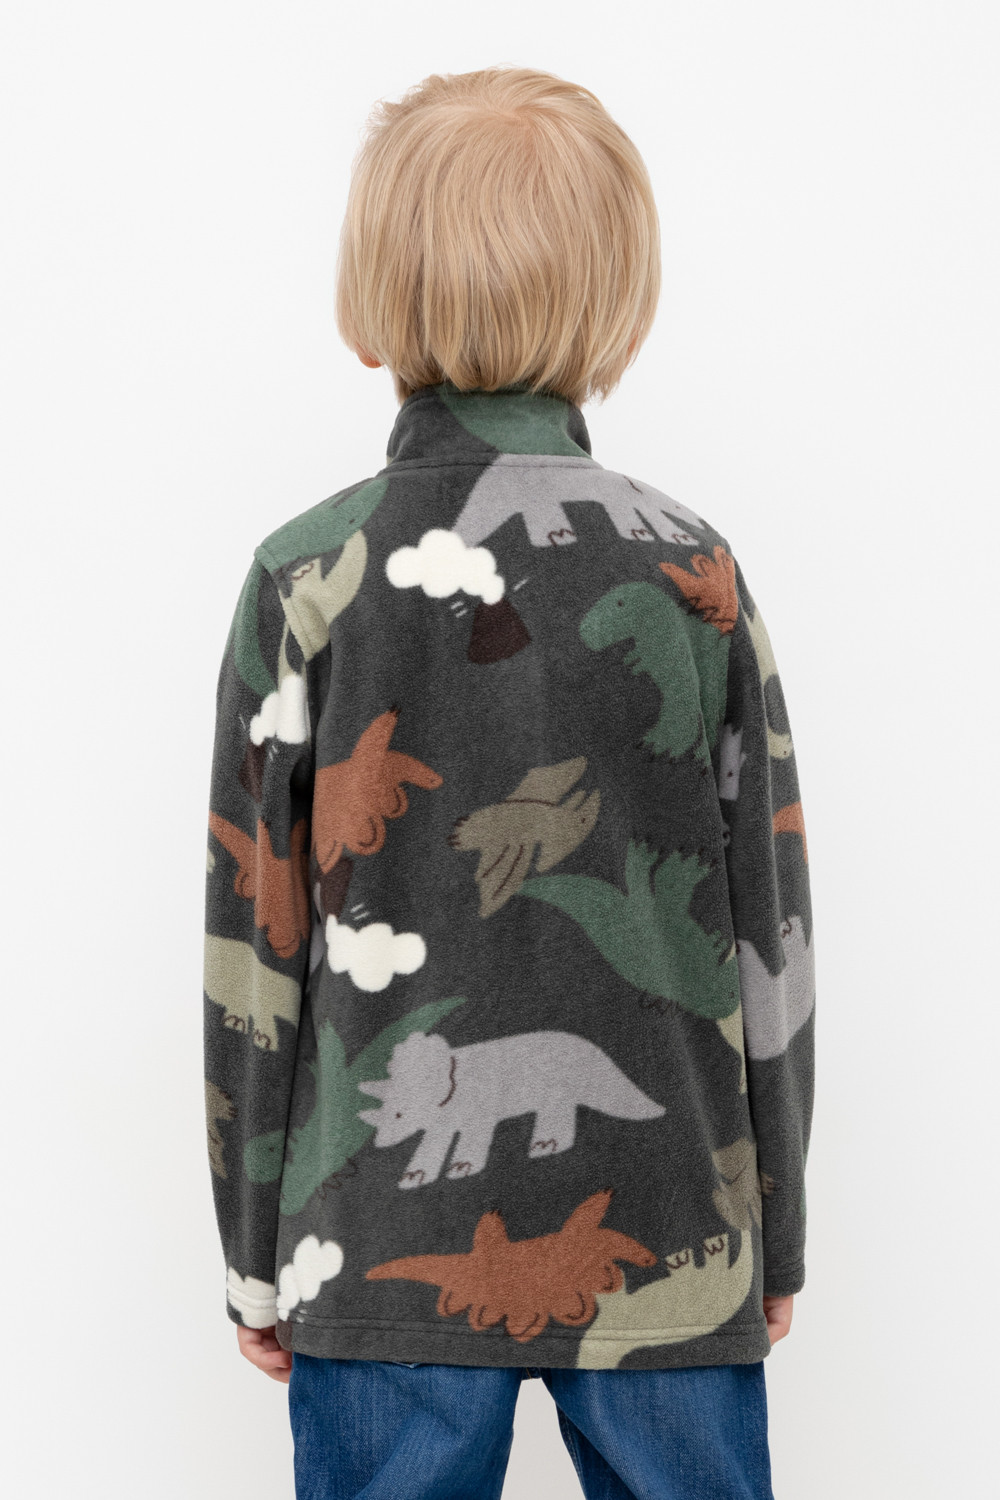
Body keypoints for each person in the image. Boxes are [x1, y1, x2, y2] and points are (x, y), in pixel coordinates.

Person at [203, 65, 816, 1500]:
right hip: (677, 1216)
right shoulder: (695, 570)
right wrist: (772, 1233)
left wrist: (255, 1251)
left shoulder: (307, 576)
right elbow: (770, 930)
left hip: (365, 1235)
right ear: (621, 313)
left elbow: (256, 950)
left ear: (367, 307)